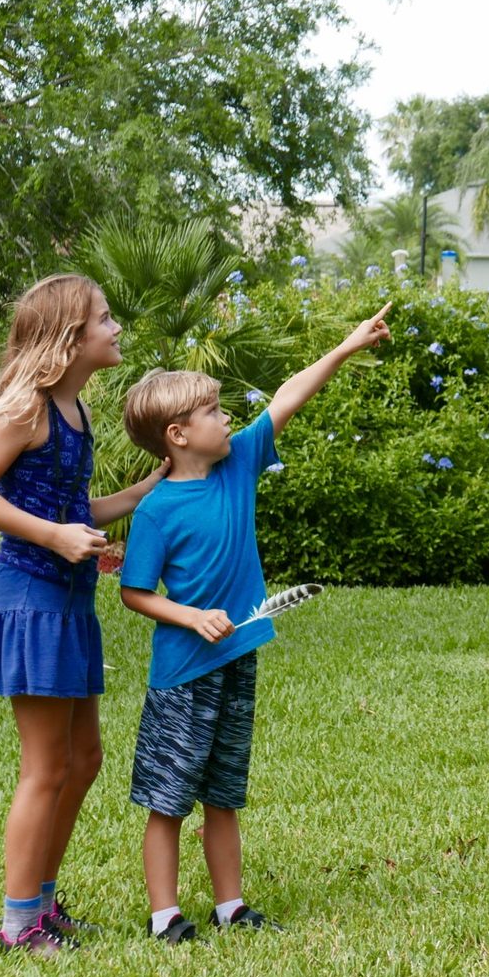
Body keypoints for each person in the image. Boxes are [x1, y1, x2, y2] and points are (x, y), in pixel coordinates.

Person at [119, 302, 392, 944]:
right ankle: (164, 917)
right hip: (183, 675)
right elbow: (134, 593)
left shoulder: (239, 462)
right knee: (168, 797)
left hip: (237, 659)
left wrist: (345, 347)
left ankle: (231, 906)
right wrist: (191, 616)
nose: (227, 418)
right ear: (178, 434)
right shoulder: (156, 509)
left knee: (224, 791)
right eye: (213, 412)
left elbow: (288, 395)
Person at [0, 274, 170, 955]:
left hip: (68, 604)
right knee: (45, 768)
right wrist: (52, 536)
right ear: (70, 337)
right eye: (104, 319)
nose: (116, 329)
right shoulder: (24, 410)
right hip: (29, 599)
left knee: (83, 760)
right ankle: (17, 925)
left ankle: (42, 904)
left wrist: (150, 487)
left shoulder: (76, 410)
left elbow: (74, 509)